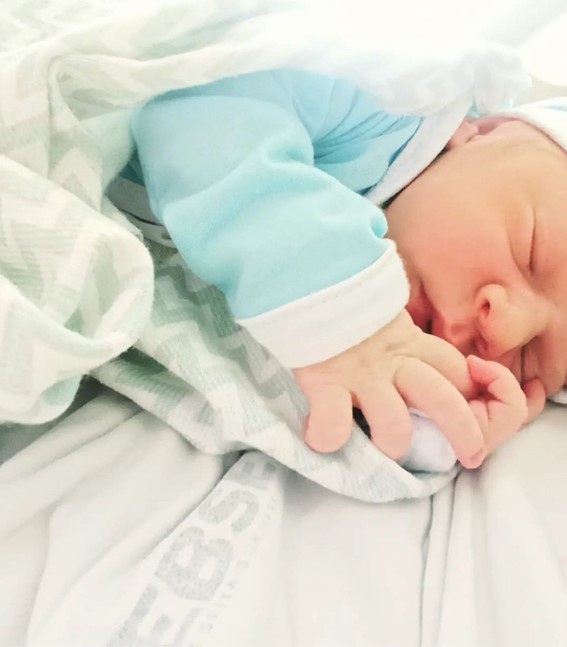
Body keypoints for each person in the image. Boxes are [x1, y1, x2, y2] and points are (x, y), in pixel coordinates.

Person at [124, 69, 567, 469]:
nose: (505, 329)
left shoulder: (373, 347)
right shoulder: (389, 98)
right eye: (530, 250)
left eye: (530, 357)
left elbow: (333, 409)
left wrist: (446, 424)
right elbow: (197, 108)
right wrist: (343, 309)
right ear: (482, 132)